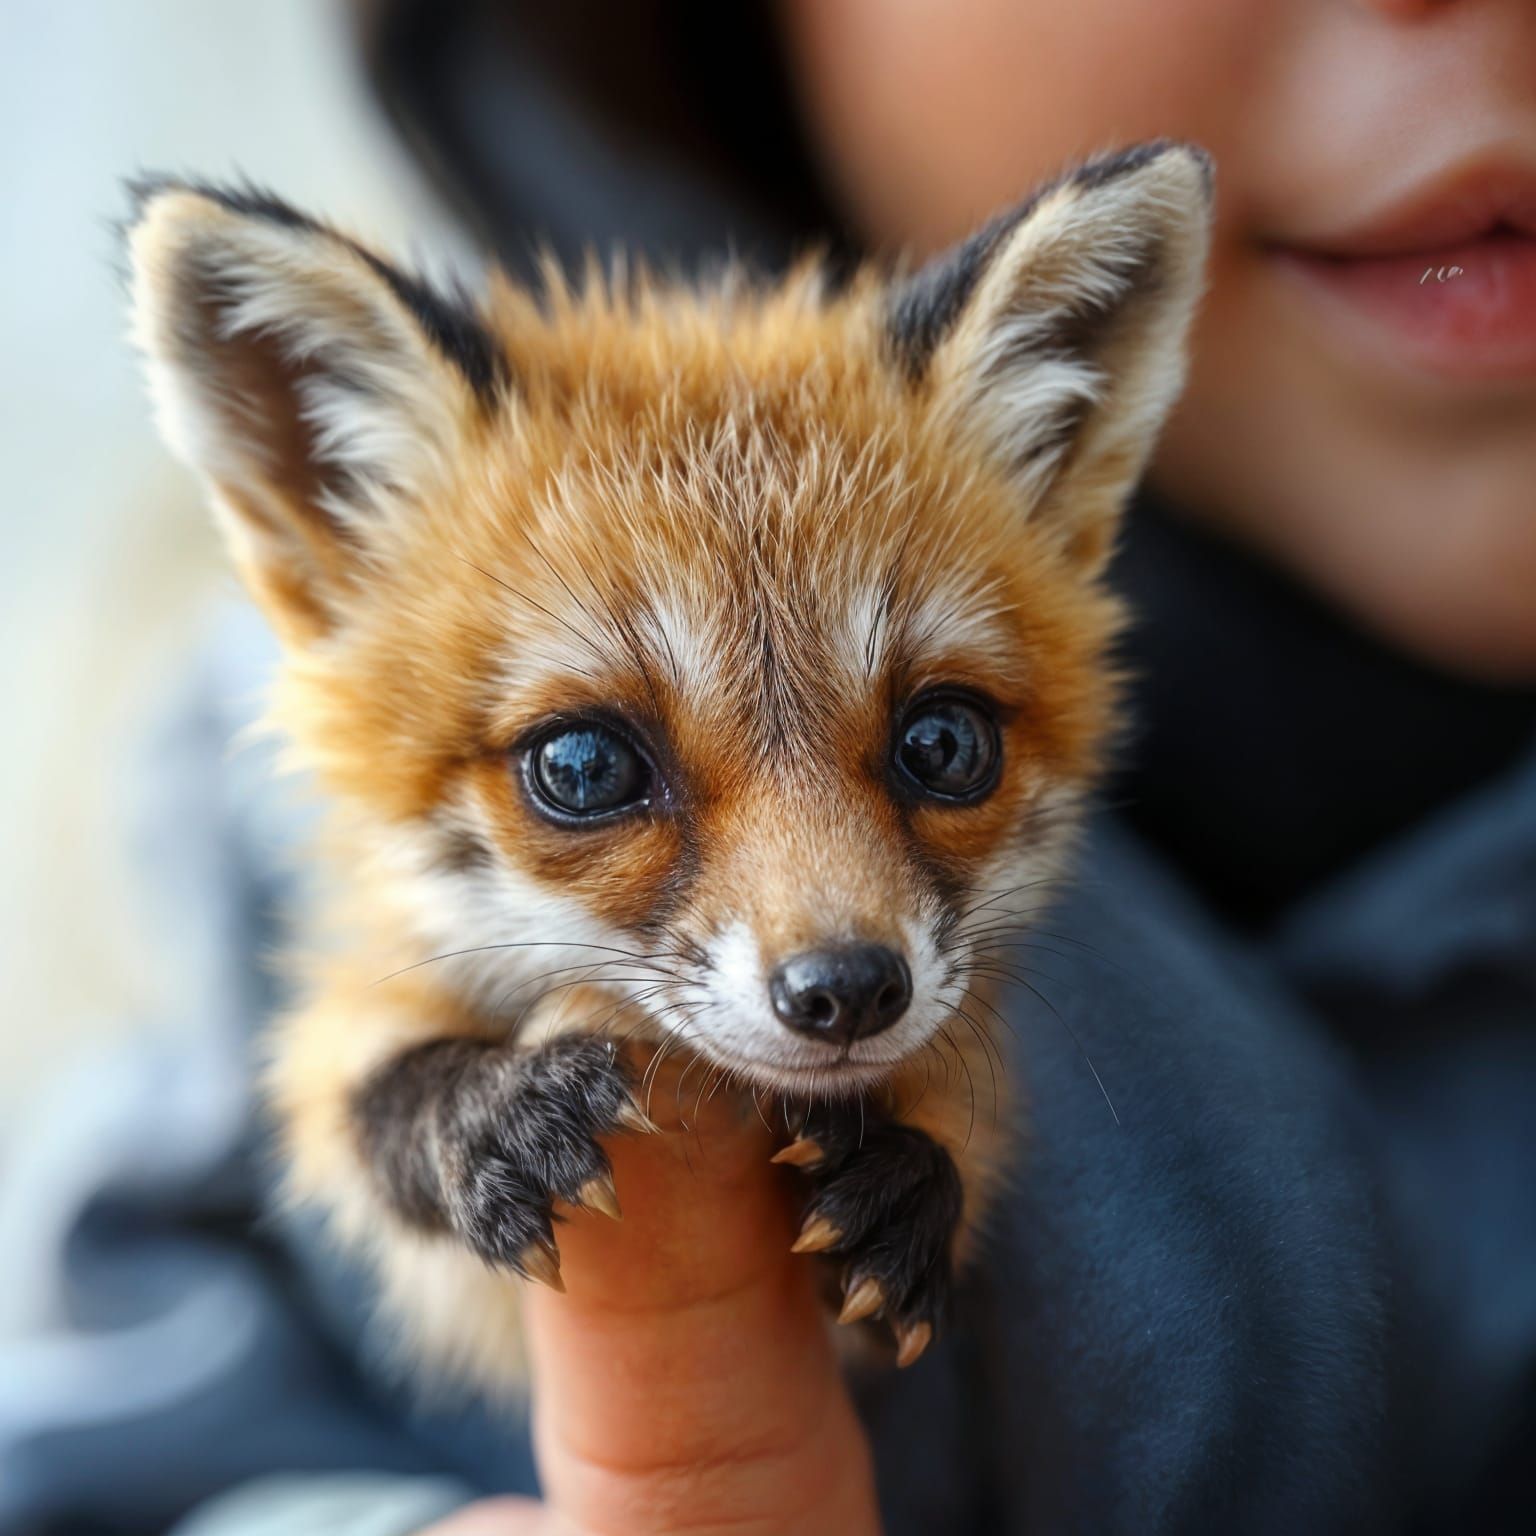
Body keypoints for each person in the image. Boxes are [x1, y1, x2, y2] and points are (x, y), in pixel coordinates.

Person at [5, 2, 1534, 1532]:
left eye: (937, 752)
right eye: (590, 772)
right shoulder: (221, 870)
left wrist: (908, 1177)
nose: (836, 931)